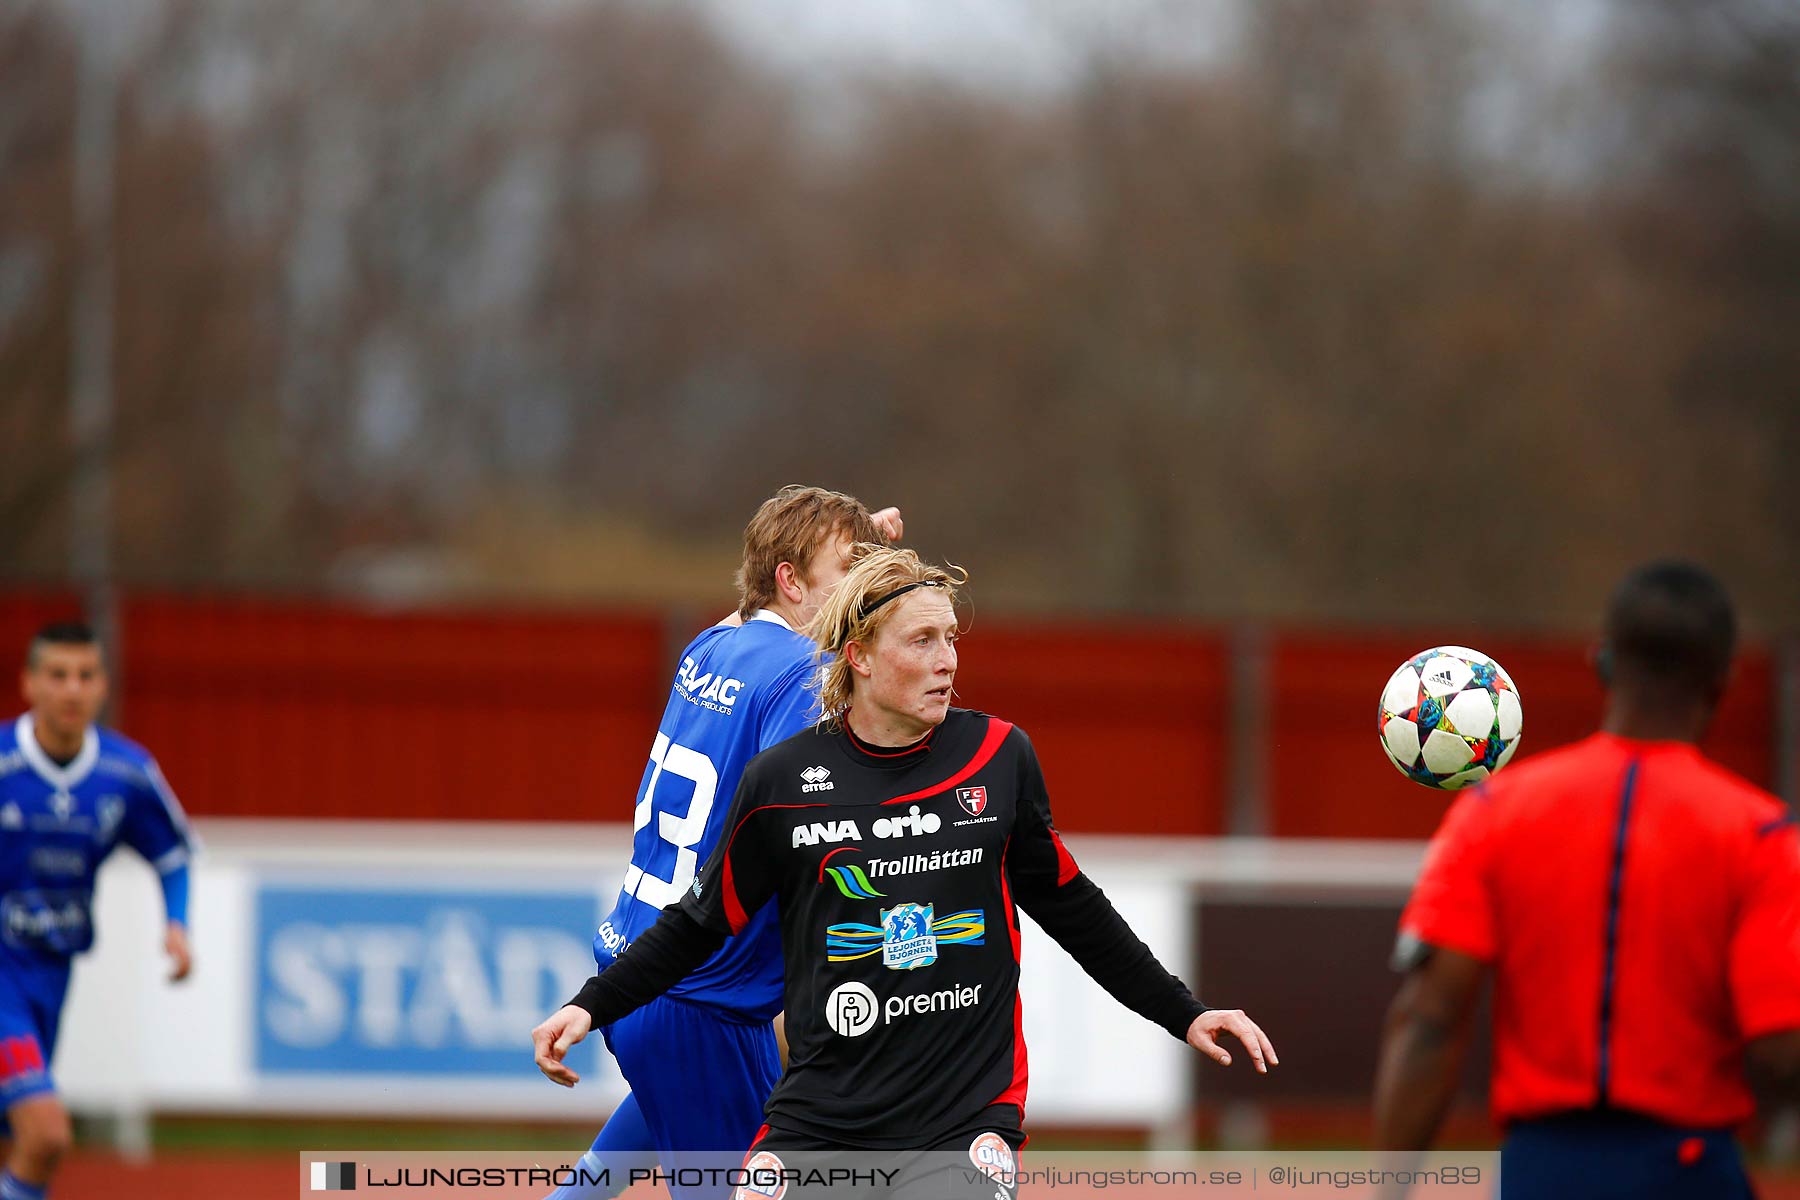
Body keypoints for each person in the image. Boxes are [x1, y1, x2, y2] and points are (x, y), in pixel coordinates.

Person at [534, 548, 1276, 1198]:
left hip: (960, 1121)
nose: (948, 659)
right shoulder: (783, 782)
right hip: (819, 1116)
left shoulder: (997, 757)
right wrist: (591, 1005)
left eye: (951, 638)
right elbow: (700, 923)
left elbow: (1073, 906)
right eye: (922, 640)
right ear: (857, 655)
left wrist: (1185, 1011)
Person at [1373, 561, 1800, 1199]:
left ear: (1602, 661)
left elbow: (1429, 1019)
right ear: (1724, 680)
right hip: (1689, 1171)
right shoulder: (1763, 836)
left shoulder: (1495, 813)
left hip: (1542, 1171)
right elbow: (1782, 1051)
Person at [547, 487, 901, 1200]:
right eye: (848, 571)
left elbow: (755, 601)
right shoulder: (805, 677)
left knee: (660, 1113)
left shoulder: (714, 644)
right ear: (792, 581)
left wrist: (856, 548)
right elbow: (792, 826)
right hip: (699, 995)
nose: (864, 589)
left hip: (644, 965)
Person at [0, 622, 196, 1200]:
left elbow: (173, 854)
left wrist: (177, 925)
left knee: (24, 1140)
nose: (71, 689)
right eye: (57, 675)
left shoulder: (124, 773)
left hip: (51, 974)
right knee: (47, 1132)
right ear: (29, 684)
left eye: (85, 676)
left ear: (103, 686)